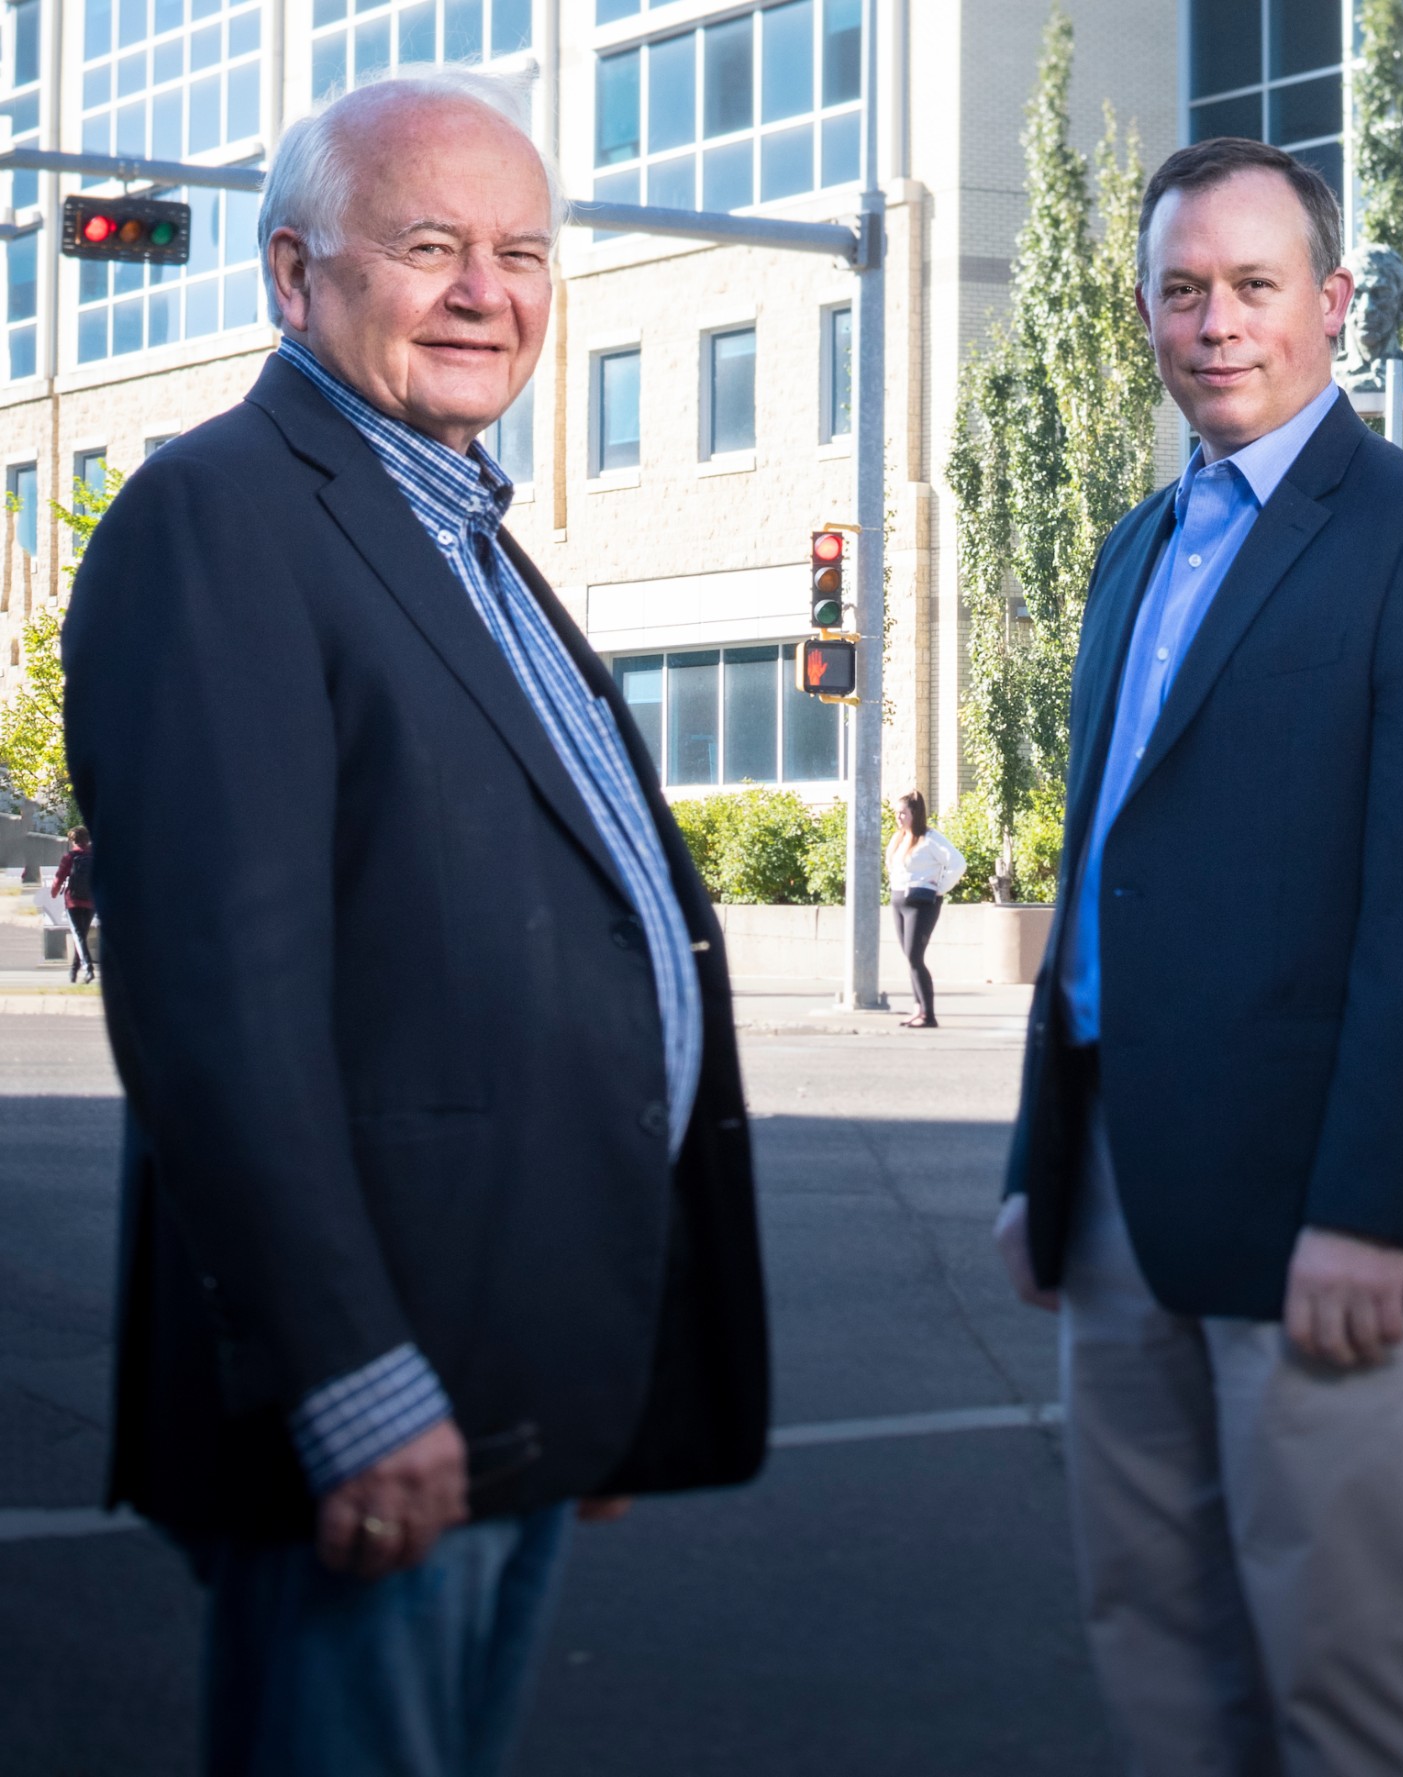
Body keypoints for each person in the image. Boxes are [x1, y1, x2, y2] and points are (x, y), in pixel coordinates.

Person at [61, 69, 770, 1777]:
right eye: (431, 243)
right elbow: (219, 1006)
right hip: (387, 1383)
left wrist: (604, 1354)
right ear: (294, 276)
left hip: (508, 1358)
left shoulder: (452, 528)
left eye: (522, 251)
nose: (487, 291)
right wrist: (353, 1375)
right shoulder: (221, 519)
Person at [993, 137, 1403, 1776]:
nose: (1216, 322)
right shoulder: (1127, 554)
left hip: (1329, 1206)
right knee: (1154, 1637)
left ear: (1334, 302)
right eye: (1181, 289)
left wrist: (1368, 1207)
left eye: (1251, 285)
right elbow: (1107, 879)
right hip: (1115, 1192)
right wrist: (1044, 1156)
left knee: (1348, 1675)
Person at [886, 789, 965, 1028]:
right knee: (910, 959)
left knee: (914, 956)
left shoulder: (930, 838)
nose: (899, 818)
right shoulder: (899, 838)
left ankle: (929, 1015)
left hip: (921, 902)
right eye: (897, 813)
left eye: (903, 813)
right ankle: (917, 1009)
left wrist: (939, 887)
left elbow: (958, 863)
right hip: (899, 900)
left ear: (915, 813)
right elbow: (893, 867)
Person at [50, 826, 95, 982]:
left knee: (78, 934)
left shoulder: (70, 857)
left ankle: (88, 968)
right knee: (81, 935)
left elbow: (59, 877)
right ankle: (73, 972)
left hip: (73, 901)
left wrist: (54, 892)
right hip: (91, 902)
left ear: (73, 840)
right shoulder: (95, 856)